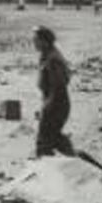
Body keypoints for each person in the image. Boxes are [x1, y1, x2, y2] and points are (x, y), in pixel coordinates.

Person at [33, 26, 74, 157]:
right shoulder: (46, 55)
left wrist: (46, 109)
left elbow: (58, 88)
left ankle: (45, 169)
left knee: (44, 142)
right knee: (54, 138)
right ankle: (73, 158)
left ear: (45, 41)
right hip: (54, 104)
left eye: (36, 40)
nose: (34, 43)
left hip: (57, 105)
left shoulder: (53, 60)